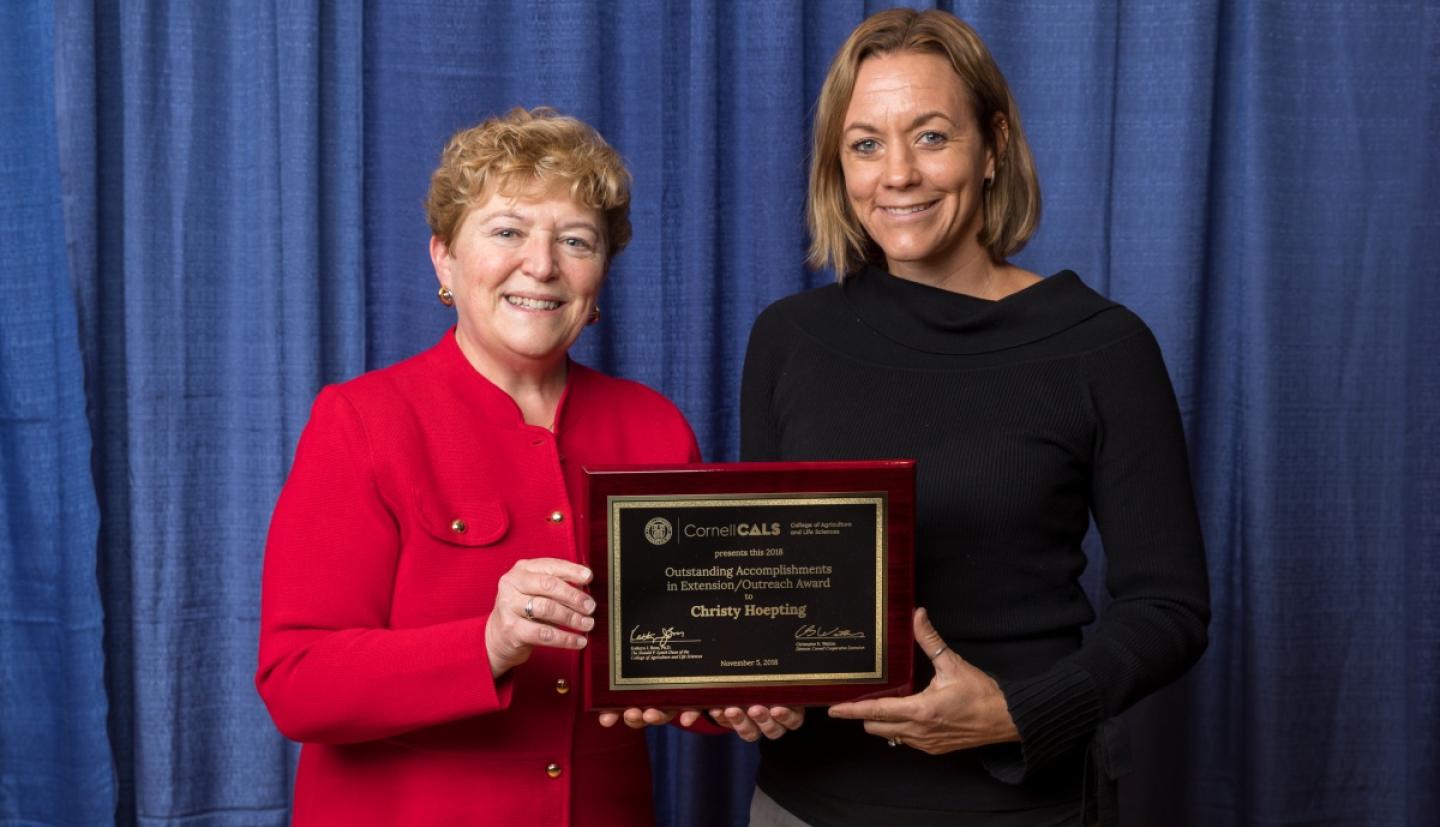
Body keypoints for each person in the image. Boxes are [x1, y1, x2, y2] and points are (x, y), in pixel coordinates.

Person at [739, 9, 1210, 826]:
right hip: (804, 803)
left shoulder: (1101, 345)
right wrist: (744, 688)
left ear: (992, 146)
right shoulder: (789, 338)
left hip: (1021, 807)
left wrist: (1022, 712)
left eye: (930, 136)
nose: (897, 175)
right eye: (865, 144)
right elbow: (768, 589)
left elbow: (1170, 608)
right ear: (837, 166)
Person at [257, 106, 711, 826]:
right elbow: (298, 683)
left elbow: (688, 655)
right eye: (507, 232)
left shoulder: (653, 427)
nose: (541, 264)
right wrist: (488, 642)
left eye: (576, 240)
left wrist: (744, 694)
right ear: (444, 258)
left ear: (600, 276)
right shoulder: (362, 420)